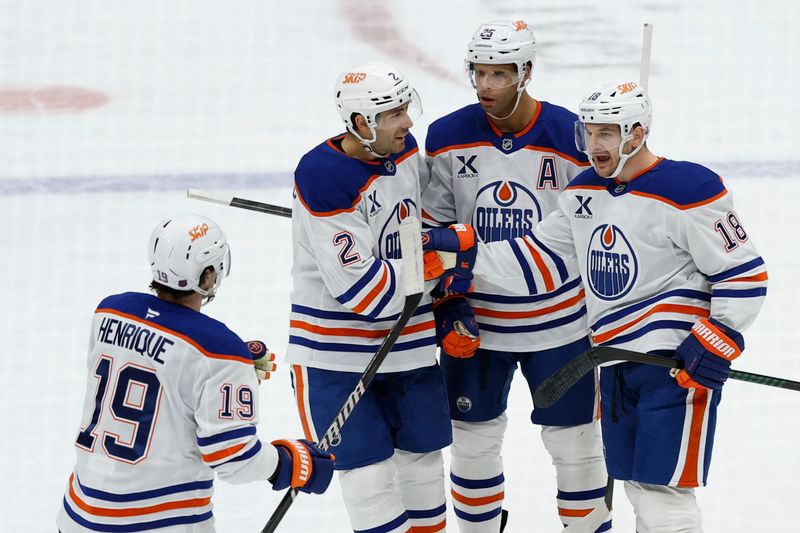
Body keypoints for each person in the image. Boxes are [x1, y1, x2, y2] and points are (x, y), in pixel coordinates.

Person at [430, 81, 768, 532]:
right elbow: (539, 259)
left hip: (674, 365)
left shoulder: (690, 188)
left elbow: (744, 274)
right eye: (589, 133)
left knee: (662, 493)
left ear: (636, 134)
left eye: (607, 133)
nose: (594, 145)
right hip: (613, 361)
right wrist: (463, 251)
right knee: (635, 484)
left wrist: (718, 336)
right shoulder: (583, 192)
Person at [421, 19, 608, 531]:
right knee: (472, 443)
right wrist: (450, 305)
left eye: (499, 75)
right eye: (478, 73)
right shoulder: (446, 136)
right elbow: (431, 231)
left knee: (577, 448)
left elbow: (599, 227)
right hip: (477, 326)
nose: (484, 86)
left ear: (526, 72)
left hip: (560, 325)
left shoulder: (571, 135)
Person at [57, 213, 334, 532]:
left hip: (79, 516)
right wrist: (293, 463)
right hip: (157, 523)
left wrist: (218, 373)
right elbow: (234, 460)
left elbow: (150, 362)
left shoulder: (109, 311)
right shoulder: (217, 352)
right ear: (207, 277)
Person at [286, 61, 452, 533]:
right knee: (369, 481)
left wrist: (436, 245)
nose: (408, 122)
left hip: (411, 343)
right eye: (394, 112)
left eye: (406, 107)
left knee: (424, 475)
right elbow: (365, 292)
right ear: (361, 124)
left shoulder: (404, 151)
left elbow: (416, 226)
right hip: (336, 355)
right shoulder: (323, 176)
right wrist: (438, 265)